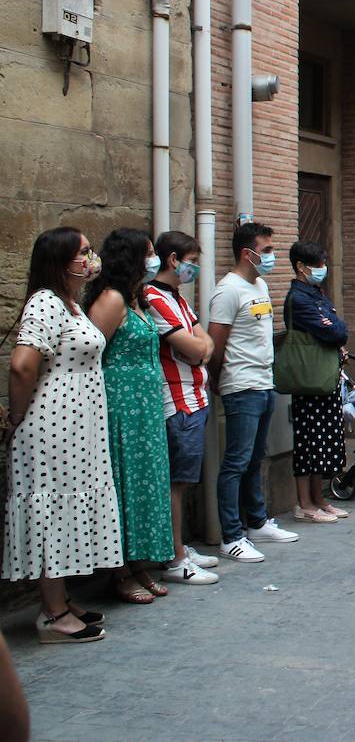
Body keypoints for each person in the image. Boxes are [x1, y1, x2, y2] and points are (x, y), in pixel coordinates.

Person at [3, 228, 121, 641]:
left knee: (67, 509)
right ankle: (52, 615)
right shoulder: (45, 303)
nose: (91, 258)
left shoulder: (69, 304)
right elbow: (22, 365)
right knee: (52, 510)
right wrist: (17, 416)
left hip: (77, 428)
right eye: (83, 252)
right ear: (60, 261)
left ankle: (61, 599)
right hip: (53, 426)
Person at [85, 228, 176, 602]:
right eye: (149, 252)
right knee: (123, 484)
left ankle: (139, 563)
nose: (154, 258)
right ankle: (119, 571)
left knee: (142, 483)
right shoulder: (111, 300)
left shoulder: (137, 299)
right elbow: (91, 351)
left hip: (145, 411)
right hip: (121, 407)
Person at [209, 222, 299, 563]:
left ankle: (257, 522)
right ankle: (230, 535)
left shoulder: (258, 284)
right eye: (267, 250)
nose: (272, 256)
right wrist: (218, 379)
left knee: (255, 457)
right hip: (241, 385)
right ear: (247, 253)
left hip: (264, 383)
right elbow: (216, 343)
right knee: (235, 461)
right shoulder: (228, 290)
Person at [144, 231, 220, 584]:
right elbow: (194, 348)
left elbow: (204, 341)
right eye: (192, 261)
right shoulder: (153, 297)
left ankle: (178, 546)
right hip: (176, 400)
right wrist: (199, 346)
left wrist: (200, 346)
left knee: (184, 481)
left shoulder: (178, 298)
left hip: (195, 397)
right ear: (173, 260)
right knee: (176, 483)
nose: (196, 268)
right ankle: (174, 558)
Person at [284, 242, 349, 524]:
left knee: (325, 440)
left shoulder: (315, 293)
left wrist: (335, 332)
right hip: (309, 379)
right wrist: (335, 331)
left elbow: (335, 328)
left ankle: (319, 498)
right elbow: (336, 330)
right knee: (309, 440)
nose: (323, 269)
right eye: (319, 264)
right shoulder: (298, 299)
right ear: (301, 266)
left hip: (325, 374)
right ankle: (304, 503)